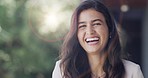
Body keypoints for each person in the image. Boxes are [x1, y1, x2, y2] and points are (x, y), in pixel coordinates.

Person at [52, 0, 144, 78]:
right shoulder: (62, 70)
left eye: (96, 24)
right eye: (82, 26)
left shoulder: (132, 71)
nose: (90, 31)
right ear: (76, 34)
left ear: (110, 29)